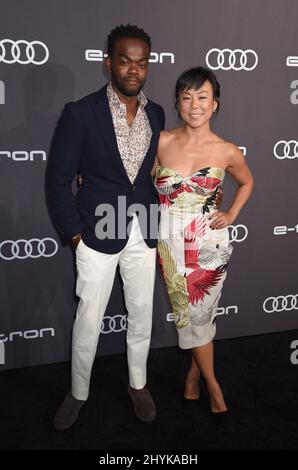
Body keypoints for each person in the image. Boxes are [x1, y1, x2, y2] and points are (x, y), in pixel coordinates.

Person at [46, 24, 165, 430]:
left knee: (143, 313)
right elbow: (57, 179)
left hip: (143, 230)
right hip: (95, 233)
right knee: (89, 318)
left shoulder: (156, 112)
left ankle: (138, 384)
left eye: (142, 62)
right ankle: (78, 392)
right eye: (126, 61)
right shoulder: (80, 113)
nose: (134, 69)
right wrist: (75, 235)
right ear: (108, 63)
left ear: (148, 66)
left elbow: (147, 175)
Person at [153, 66, 254, 419]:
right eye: (186, 97)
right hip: (169, 243)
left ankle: (203, 382)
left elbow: (247, 183)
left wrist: (232, 215)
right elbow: (134, 182)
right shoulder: (161, 141)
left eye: (202, 97)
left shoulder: (226, 150)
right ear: (178, 103)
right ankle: (208, 382)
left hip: (210, 244)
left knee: (200, 314)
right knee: (190, 316)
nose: (194, 105)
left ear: (215, 104)